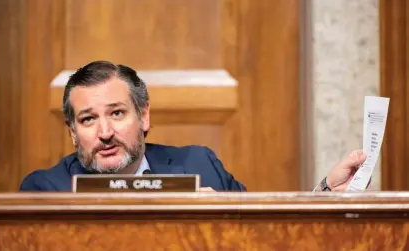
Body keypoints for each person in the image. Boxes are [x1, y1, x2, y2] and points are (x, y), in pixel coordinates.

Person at [19, 61, 367, 192]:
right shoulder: (44, 192)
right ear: (72, 132)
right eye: (88, 119)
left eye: (118, 113)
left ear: (144, 117)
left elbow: (269, 237)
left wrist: (324, 193)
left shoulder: (202, 166)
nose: (105, 132)